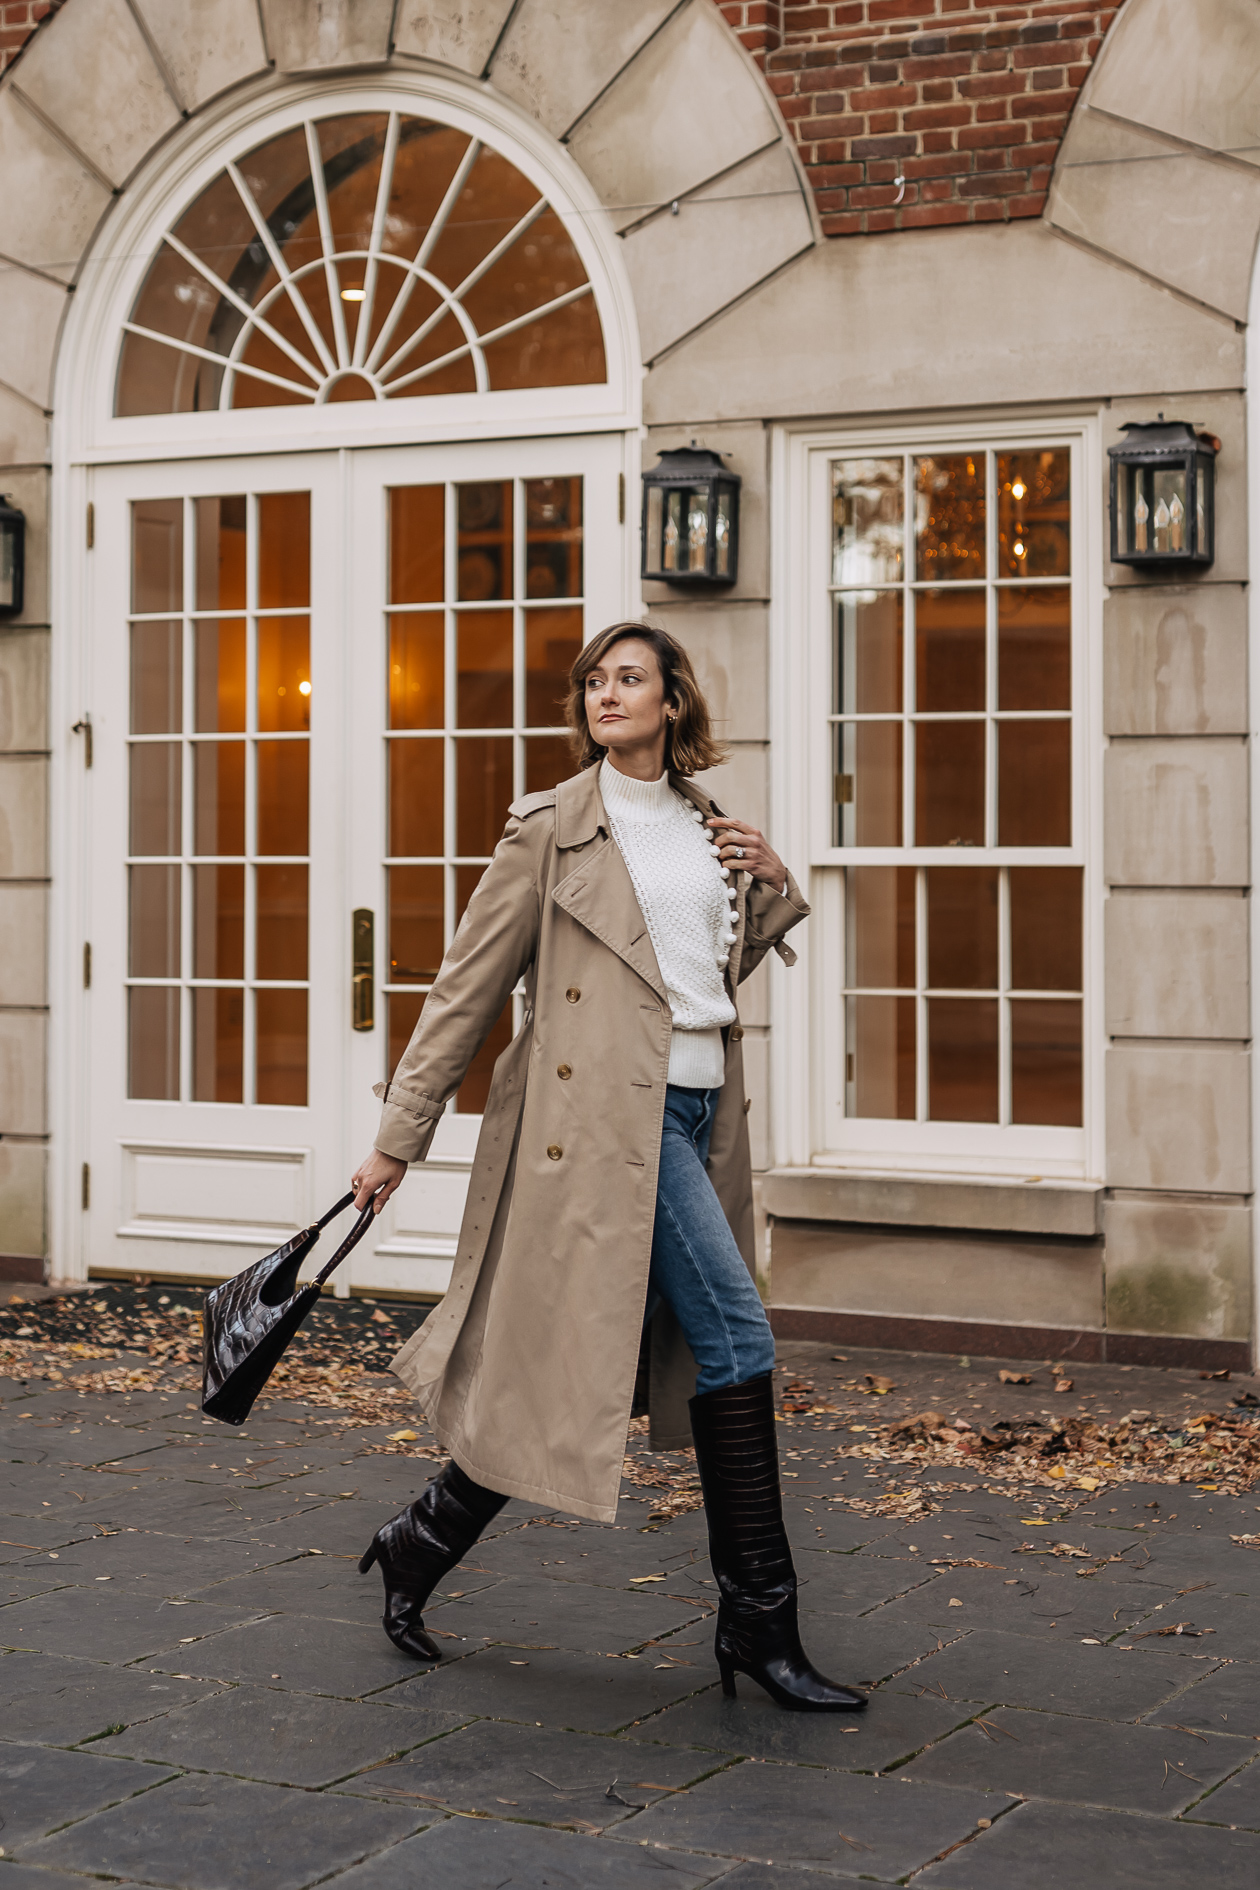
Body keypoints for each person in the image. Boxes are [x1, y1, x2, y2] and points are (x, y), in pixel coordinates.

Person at [351, 622, 864, 1713]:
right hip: (597, 1129)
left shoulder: (709, 826)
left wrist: (773, 883)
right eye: (595, 680)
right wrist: (401, 1134)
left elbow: (703, 978)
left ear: (674, 700)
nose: (606, 694)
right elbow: (465, 989)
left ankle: (419, 1542)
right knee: (733, 1335)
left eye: (630, 678)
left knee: (567, 1363)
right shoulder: (550, 831)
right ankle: (760, 1624)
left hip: (697, 1116)